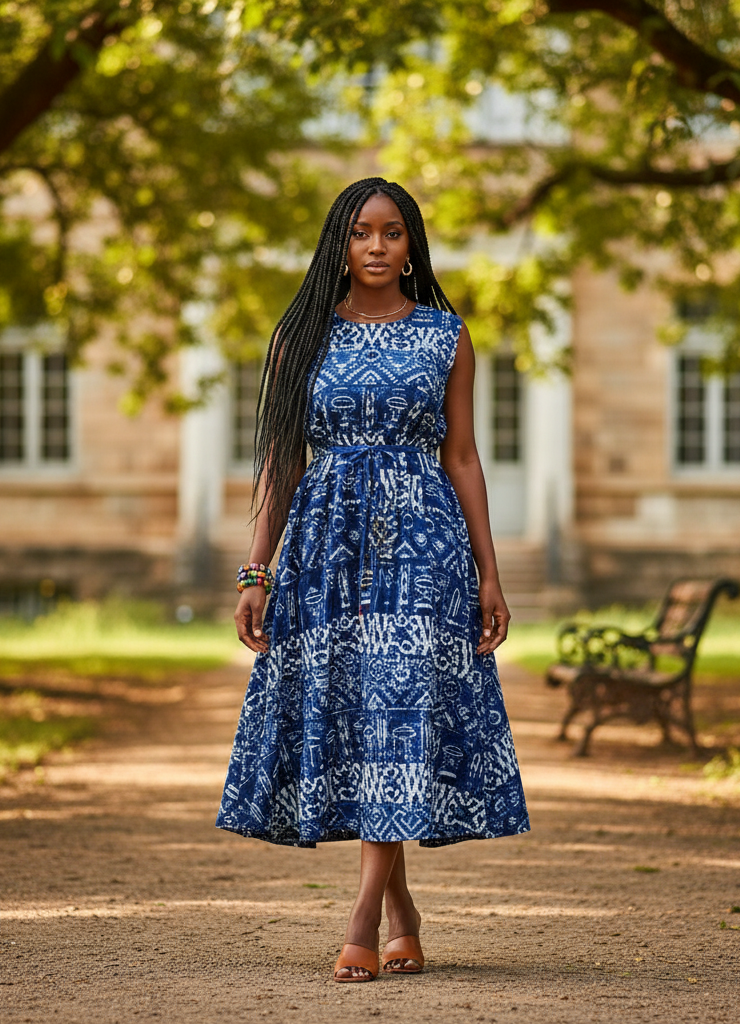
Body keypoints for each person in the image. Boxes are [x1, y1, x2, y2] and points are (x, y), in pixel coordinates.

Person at [215, 177, 530, 982]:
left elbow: (462, 455)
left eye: (394, 233)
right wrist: (257, 571)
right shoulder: (301, 337)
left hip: (424, 543)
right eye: (363, 233)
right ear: (341, 244)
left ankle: (360, 916)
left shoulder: (446, 336)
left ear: (412, 244)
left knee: (395, 715)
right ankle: (402, 911)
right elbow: (283, 462)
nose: (379, 247)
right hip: (326, 545)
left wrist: (491, 575)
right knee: (358, 715)